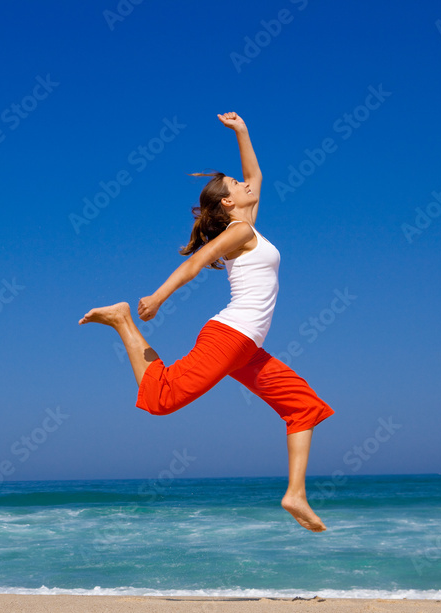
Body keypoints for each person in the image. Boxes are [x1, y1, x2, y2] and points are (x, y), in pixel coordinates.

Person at [78, 112, 334, 532]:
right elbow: (197, 261)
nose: (244, 183)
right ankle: (123, 320)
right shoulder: (238, 230)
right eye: (235, 184)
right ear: (229, 203)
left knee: (303, 406)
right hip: (229, 336)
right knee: (161, 400)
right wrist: (158, 296)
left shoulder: (248, 223)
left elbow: (255, 173)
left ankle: (295, 494)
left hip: (246, 348)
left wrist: (242, 131)